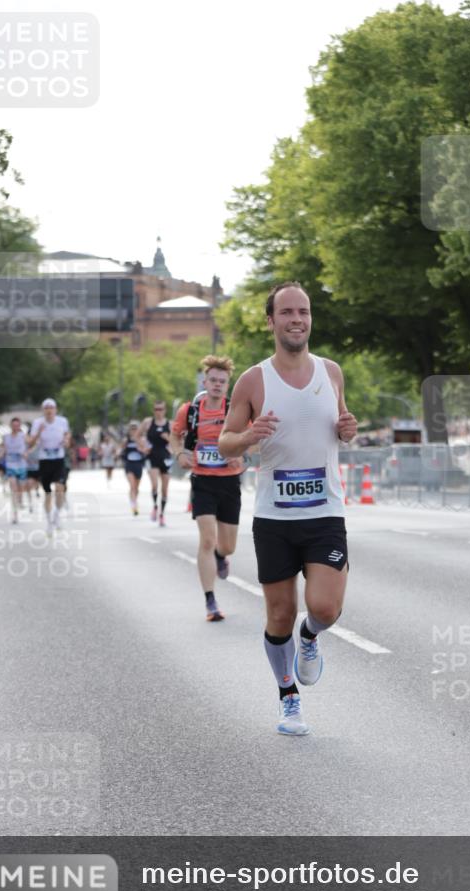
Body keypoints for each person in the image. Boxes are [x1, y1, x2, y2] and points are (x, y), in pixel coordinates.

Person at [219, 282, 358, 736]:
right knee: (279, 615)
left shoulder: (331, 372)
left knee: (325, 608)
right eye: (287, 312)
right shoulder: (253, 380)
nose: (297, 319)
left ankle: (310, 636)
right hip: (275, 518)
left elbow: (340, 424)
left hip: (325, 512)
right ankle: (288, 698)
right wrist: (249, 435)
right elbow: (225, 443)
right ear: (271, 321)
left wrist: (348, 429)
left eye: (304, 311)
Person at [171, 355, 245, 622]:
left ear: (228, 385)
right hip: (202, 481)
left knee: (227, 546)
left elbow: (251, 438)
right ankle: (210, 601)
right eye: (212, 380)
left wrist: (240, 452)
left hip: (229, 482)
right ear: (205, 382)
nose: (216, 385)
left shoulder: (235, 410)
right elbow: (175, 436)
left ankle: (221, 556)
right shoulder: (190, 410)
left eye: (221, 381)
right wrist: (180, 454)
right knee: (207, 539)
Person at [27, 398, 71, 532]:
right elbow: (30, 443)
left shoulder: (62, 421)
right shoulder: (37, 423)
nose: (49, 411)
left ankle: (57, 514)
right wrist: (39, 432)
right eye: (46, 408)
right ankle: (49, 522)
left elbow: (67, 436)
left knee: (60, 488)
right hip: (44, 459)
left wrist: (66, 440)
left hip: (58, 459)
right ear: (43, 410)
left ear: (55, 409)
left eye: (51, 408)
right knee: (47, 493)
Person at [136, 401, 172, 526]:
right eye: (156, 409)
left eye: (161, 409)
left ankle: (162, 514)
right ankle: (155, 507)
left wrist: (168, 438)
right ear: (153, 410)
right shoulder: (147, 422)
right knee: (155, 485)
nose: (158, 411)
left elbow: (178, 440)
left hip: (165, 457)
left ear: (165, 410)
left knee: (165, 489)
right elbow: (137, 436)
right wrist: (143, 447)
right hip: (152, 456)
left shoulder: (170, 424)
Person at [2, 417, 28, 524]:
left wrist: (26, 453)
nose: (15, 427)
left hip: (21, 465)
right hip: (10, 465)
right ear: (11, 426)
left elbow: (32, 444)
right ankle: (15, 514)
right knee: (13, 489)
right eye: (14, 425)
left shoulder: (23, 436)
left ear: (20, 426)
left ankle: (20, 500)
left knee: (20, 488)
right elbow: (4, 449)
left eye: (17, 425)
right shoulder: (6, 437)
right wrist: (0, 454)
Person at [121, 420, 145, 515]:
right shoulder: (126, 440)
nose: (134, 430)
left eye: (135, 428)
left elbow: (145, 450)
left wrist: (138, 443)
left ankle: (134, 500)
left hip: (138, 464)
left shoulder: (141, 439)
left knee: (136, 487)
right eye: (132, 429)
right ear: (129, 430)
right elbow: (120, 449)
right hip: (129, 464)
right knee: (132, 485)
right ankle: (133, 505)